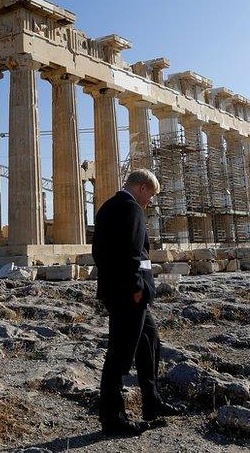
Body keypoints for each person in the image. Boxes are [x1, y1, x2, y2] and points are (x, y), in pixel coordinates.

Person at [92, 169, 181, 437]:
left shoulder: (108, 207)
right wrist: (137, 287)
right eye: (151, 195)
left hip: (121, 291)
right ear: (142, 188)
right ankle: (113, 418)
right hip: (129, 295)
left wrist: (139, 280)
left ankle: (152, 403)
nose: (151, 201)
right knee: (120, 356)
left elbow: (105, 252)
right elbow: (134, 254)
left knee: (151, 342)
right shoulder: (131, 208)